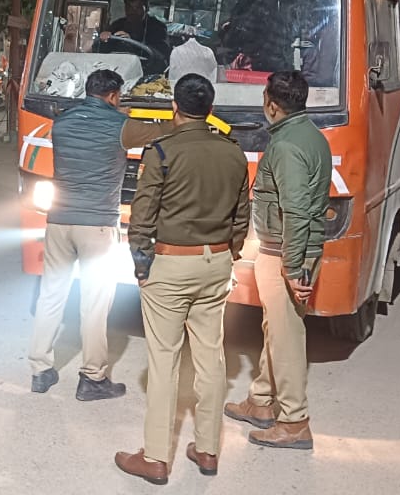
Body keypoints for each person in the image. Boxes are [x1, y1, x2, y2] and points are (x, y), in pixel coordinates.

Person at [115, 74, 251, 485]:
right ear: (210, 109)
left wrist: (141, 264)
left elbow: (142, 216)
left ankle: (156, 457)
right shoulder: (233, 152)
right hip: (216, 262)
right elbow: (241, 215)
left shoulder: (162, 151)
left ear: (175, 106)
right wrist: (230, 253)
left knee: (164, 361)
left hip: (171, 265)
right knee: (211, 357)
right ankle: (207, 449)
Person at [29, 69, 170, 399]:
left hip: (59, 222)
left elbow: (88, 130)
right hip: (97, 225)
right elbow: (164, 131)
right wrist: (123, 118)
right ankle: (92, 377)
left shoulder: (61, 122)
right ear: (114, 95)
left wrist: (115, 115)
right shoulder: (121, 125)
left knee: (51, 295)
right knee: (94, 302)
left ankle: (39, 370)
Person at [224, 70, 331, 451]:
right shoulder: (309, 135)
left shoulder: (286, 146)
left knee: (286, 338)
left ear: (270, 104)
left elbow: (296, 210)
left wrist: (292, 265)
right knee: (276, 328)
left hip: (285, 252)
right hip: (288, 249)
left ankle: (294, 421)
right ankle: (261, 401)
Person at [95, 0, 172, 72]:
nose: (132, 11)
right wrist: (103, 40)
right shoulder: (117, 25)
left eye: (137, 8)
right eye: (129, 7)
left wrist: (132, 43)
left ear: (146, 8)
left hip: (146, 71)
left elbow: (161, 54)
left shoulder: (158, 27)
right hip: (118, 70)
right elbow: (99, 51)